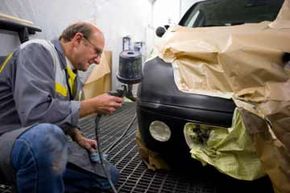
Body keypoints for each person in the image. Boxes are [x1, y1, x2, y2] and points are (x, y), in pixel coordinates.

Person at [0, 21, 123, 193]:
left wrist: (77, 135)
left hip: (37, 144)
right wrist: (92, 105)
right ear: (78, 39)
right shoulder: (36, 51)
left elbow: (59, 112)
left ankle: (32, 180)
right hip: (8, 138)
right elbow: (36, 115)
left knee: (108, 175)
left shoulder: (73, 77)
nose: (98, 60)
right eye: (96, 51)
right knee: (45, 138)